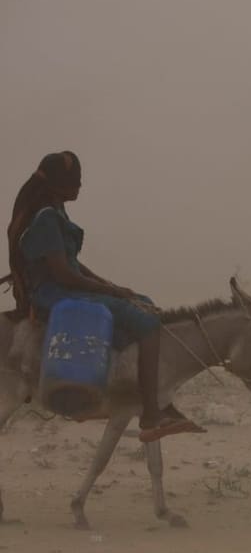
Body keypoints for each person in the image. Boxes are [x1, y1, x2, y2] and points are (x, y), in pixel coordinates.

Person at [4, 150, 205, 441]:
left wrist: (110, 284)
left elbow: (72, 264)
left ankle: (135, 392)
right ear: (58, 184)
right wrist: (109, 290)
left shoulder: (55, 211)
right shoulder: (46, 217)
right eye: (75, 180)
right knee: (147, 323)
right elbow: (63, 274)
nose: (80, 186)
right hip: (55, 294)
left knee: (144, 303)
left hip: (65, 286)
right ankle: (151, 414)